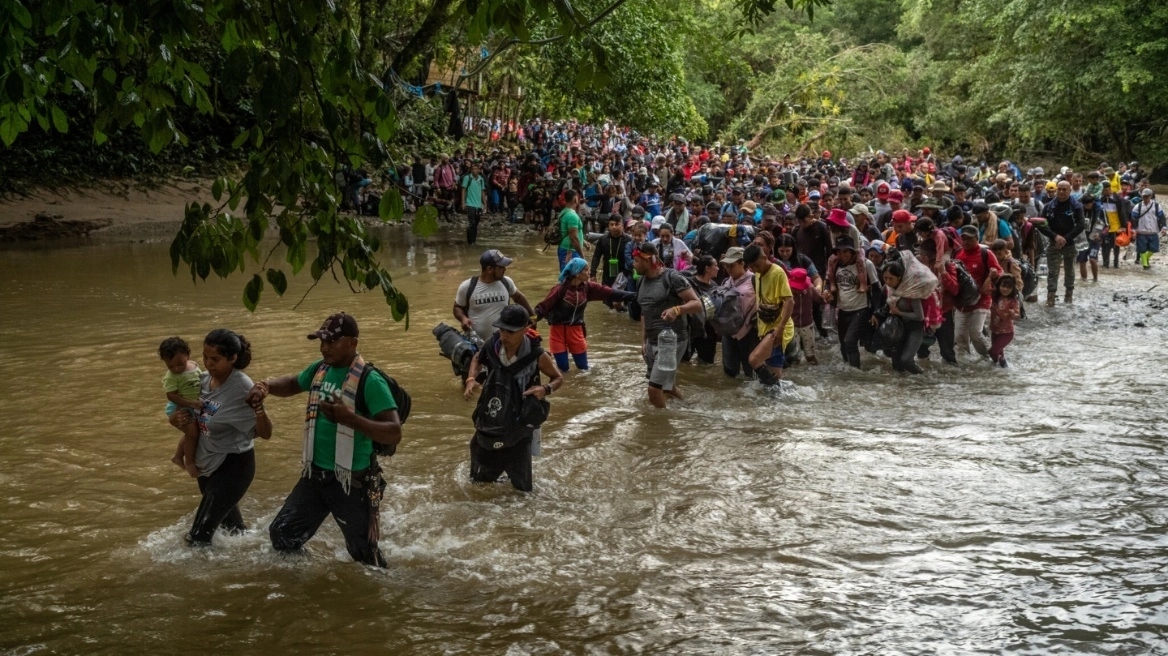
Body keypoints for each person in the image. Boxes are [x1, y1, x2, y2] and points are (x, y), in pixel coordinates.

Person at [250, 313, 402, 567]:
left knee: (366, 557)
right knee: (283, 534)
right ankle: (306, 588)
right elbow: (292, 383)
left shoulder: (370, 380)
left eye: (332, 342)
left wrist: (350, 419)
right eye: (322, 341)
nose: (324, 347)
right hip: (316, 475)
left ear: (352, 343)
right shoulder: (320, 370)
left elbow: (394, 431)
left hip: (351, 481)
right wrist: (265, 386)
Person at [184, 329, 271, 546]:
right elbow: (198, 421)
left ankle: (200, 577)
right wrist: (179, 419)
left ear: (232, 358)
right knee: (234, 532)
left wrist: (259, 408)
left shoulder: (241, 387)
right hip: (207, 463)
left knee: (198, 537)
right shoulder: (202, 380)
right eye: (205, 357)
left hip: (233, 466)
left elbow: (265, 433)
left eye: (215, 359)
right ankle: (254, 561)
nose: (208, 364)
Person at [463, 305, 563, 492]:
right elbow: (477, 359)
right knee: (478, 485)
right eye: (501, 329)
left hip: (520, 423)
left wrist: (545, 389)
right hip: (492, 417)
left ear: (526, 329)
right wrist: (470, 379)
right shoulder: (491, 346)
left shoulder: (537, 355)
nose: (504, 336)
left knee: (522, 490)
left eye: (510, 331)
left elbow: (558, 378)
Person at [534, 257, 636, 371]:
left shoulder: (588, 287)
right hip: (557, 332)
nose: (589, 273)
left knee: (583, 368)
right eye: (586, 270)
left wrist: (635, 296)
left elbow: (611, 293)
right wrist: (528, 321)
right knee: (563, 369)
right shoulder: (559, 289)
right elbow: (542, 308)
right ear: (577, 273)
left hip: (576, 331)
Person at [634, 241, 703, 408]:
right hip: (652, 341)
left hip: (671, 341)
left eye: (636, 260)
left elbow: (697, 303)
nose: (633, 264)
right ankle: (689, 408)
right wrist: (643, 341)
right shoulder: (640, 282)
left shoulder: (672, 278)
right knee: (666, 385)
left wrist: (677, 310)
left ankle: (661, 428)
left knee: (653, 389)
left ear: (647, 260)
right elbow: (644, 312)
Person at [453, 249, 535, 342]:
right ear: (489, 269)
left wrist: (532, 317)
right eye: (501, 267)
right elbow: (457, 307)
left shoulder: (506, 282)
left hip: (503, 342)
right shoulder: (467, 286)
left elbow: (519, 297)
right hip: (476, 343)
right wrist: (463, 319)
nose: (505, 269)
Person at [744, 244, 794, 386]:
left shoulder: (777, 273)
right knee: (775, 378)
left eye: (756, 265)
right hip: (765, 328)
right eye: (751, 267)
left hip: (778, 328)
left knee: (754, 359)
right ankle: (777, 402)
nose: (754, 270)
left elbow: (790, 301)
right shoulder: (758, 274)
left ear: (764, 257)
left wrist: (780, 328)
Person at [826, 235, 880, 368]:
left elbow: (878, 289)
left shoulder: (866, 264)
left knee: (850, 341)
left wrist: (877, 312)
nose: (842, 255)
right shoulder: (835, 264)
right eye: (839, 252)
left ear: (852, 251)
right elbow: (828, 282)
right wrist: (827, 292)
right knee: (843, 346)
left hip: (861, 309)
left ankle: (856, 373)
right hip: (843, 309)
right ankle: (847, 373)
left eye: (846, 251)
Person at [954, 225, 1002, 359]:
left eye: (969, 239)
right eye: (963, 238)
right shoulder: (957, 253)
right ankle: (965, 366)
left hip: (982, 300)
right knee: (959, 337)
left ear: (977, 238)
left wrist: (993, 274)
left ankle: (991, 356)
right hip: (962, 302)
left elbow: (999, 271)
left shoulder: (985, 253)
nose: (966, 242)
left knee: (975, 333)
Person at [159, 336, 204, 478]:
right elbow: (171, 396)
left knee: (193, 433)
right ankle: (189, 462)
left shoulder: (195, 366)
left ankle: (178, 456)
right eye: (170, 366)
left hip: (195, 405)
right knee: (193, 434)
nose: (176, 368)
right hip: (180, 407)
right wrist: (190, 404)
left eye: (180, 364)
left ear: (188, 356)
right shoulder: (171, 377)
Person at [1038, 181, 1084, 305]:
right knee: (1052, 271)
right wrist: (1055, 237)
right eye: (1060, 189)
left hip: (1070, 242)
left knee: (1070, 270)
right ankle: (1051, 298)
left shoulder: (1076, 206)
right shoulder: (1048, 206)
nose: (1062, 192)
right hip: (1053, 242)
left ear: (1070, 190)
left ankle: (1069, 297)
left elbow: (1081, 225)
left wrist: (1065, 239)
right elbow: (1042, 224)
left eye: (1065, 189)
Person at [718, 247, 758, 379]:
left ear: (742, 263)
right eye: (726, 266)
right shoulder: (726, 282)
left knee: (750, 371)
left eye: (732, 265)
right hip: (729, 331)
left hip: (749, 331)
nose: (728, 269)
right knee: (729, 371)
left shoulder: (755, 280)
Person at [880, 262, 925, 374]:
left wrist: (899, 312)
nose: (887, 281)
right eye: (885, 278)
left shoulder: (911, 290)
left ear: (899, 277)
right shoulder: (886, 288)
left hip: (915, 327)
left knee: (906, 360)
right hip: (897, 327)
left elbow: (919, 316)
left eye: (891, 278)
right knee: (896, 365)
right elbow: (881, 306)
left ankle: (924, 380)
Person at [590, 214, 633, 309]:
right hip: (607, 276)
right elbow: (596, 257)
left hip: (623, 276)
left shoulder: (629, 240)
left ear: (622, 225)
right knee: (608, 304)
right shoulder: (603, 239)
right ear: (608, 226)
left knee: (621, 302)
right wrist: (593, 274)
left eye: (617, 224)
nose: (614, 227)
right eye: (611, 224)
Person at [787, 268, 818, 365]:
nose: (796, 291)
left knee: (810, 355)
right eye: (794, 288)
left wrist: (826, 297)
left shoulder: (810, 289)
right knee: (794, 355)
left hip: (807, 325)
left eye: (799, 289)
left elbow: (820, 299)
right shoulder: (786, 291)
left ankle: (814, 372)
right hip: (792, 326)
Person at [989, 276, 1021, 368]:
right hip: (994, 330)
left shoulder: (1013, 300)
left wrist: (1013, 314)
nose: (1005, 289)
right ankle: (1002, 374)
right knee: (995, 358)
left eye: (1009, 287)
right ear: (999, 286)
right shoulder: (995, 296)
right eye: (1003, 286)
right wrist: (989, 276)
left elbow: (1017, 315)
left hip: (1007, 333)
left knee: (992, 352)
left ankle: (1006, 368)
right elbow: (984, 289)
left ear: (1012, 288)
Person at [1098, 181, 1130, 269]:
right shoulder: (1102, 199)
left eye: (1103, 190)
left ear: (1108, 189)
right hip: (1105, 227)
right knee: (1104, 246)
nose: (1102, 192)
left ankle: (1116, 264)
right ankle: (1105, 264)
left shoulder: (1119, 200)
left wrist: (1123, 226)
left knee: (1116, 246)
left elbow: (1123, 213)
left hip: (1116, 227)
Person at [1131, 188, 1166, 269]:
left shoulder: (1157, 206)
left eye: (1147, 196)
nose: (1145, 198)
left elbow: (1161, 217)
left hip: (1153, 231)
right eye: (1144, 196)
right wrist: (1134, 230)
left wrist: (1164, 228)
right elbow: (1133, 219)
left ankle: (1145, 259)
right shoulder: (1138, 207)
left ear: (1150, 196)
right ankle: (1145, 264)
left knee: (1154, 249)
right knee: (1142, 249)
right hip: (1141, 231)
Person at [557, 189, 588, 270]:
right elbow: (573, 238)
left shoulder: (564, 212)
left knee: (570, 278)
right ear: (575, 199)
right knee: (570, 278)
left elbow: (569, 232)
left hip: (566, 249)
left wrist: (583, 242)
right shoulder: (572, 215)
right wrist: (582, 257)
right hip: (570, 250)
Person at [461, 161, 487, 245]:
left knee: (476, 223)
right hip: (470, 204)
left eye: (476, 169)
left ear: (479, 170)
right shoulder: (467, 178)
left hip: (478, 205)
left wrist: (485, 204)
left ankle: (473, 241)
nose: (474, 171)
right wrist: (463, 203)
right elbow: (463, 190)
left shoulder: (481, 179)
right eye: (472, 169)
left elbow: (483, 192)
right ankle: (470, 242)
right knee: (471, 223)